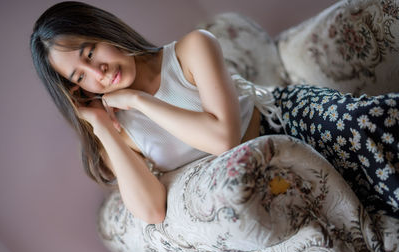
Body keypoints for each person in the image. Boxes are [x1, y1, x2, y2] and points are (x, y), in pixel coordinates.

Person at [30, 1, 399, 224]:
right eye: (81, 76)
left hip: (287, 118)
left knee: (366, 122)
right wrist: (100, 127)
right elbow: (151, 211)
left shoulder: (192, 49)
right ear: (77, 90)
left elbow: (224, 137)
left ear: (103, 31)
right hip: (269, 166)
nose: (99, 74)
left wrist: (141, 101)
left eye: (91, 53)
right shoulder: (116, 129)